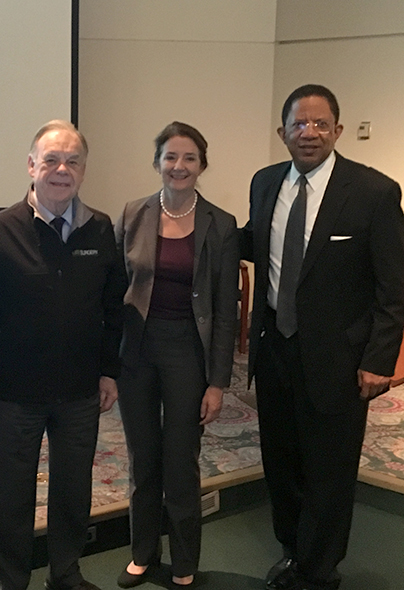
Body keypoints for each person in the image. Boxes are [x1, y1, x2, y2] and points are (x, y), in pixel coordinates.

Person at [240, 84, 404, 590]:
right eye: (298, 124)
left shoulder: (375, 192)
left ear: (336, 128)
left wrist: (380, 360)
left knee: (329, 469)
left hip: (340, 358)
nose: (308, 133)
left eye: (318, 123)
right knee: (281, 462)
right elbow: (249, 240)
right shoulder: (265, 182)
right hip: (275, 350)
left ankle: (319, 569)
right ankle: (293, 551)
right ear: (281, 132)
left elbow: (393, 287)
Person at [0, 120, 126, 590]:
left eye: (72, 161)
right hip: (13, 395)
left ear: (83, 170)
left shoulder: (99, 228)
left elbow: (111, 307)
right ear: (31, 166)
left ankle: (66, 573)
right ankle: (10, 582)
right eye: (51, 160)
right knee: (11, 497)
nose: (62, 170)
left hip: (79, 392)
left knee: (73, 492)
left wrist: (108, 372)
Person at [114, 122, 239, 588]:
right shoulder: (132, 213)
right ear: (157, 163)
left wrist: (218, 382)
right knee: (142, 456)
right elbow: (114, 291)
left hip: (188, 352)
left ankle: (185, 560)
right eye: (170, 157)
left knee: (180, 459)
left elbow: (226, 309)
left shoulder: (220, 224)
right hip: (137, 353)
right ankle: (143, 553)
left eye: (189, 158)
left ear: (201, 165)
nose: (179, 166)